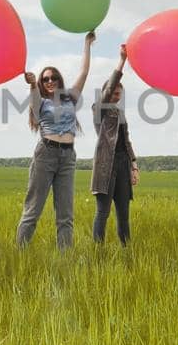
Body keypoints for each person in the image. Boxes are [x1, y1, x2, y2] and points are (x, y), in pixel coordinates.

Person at [16, 32, 95, 249]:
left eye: (53, 78)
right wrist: (32, 84)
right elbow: (33, 98)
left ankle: (65, 260)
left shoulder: (70, 97)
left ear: (59, 80)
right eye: (45, 79)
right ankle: (19, 253)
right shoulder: (40, 102)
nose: (50, 81)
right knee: (33, 210)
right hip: (46, 155)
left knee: (65, 214)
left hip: (68, 156)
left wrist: (87, 44)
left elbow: (84, 71)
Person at [90, 44, 139, 245]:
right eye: (114, 91)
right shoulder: (99, 109)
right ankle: (97, 252)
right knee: (103, 212)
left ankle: (127, 249)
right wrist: (122, 60)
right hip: (105, 165)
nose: (116, 95)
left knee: (124, 213)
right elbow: (111, 86)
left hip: (122, 164)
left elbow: (126, 140)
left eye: (120, 93)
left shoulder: (120, 113)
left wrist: (134, 165)